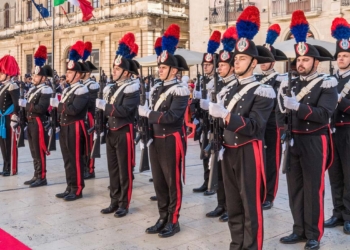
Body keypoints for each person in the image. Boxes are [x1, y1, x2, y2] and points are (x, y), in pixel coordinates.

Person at [209, 7, 275, 249]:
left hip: (248, 150)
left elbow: (256, 126)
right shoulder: (228, 89)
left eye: (242, 58)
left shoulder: (263, 90)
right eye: (236, 58)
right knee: (234, 204)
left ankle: (252, 246)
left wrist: (226, 116)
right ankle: (237, 244)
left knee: (250, 205)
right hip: (228, 150)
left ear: (254, 62)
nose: (237, 62)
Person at [277, 11, 338, 249]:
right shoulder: (288, 82)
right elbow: (278, 111)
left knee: (314, 189)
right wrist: (283, 126)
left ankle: (314, 233)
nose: (300, 63)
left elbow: (324, 114)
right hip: (293, 140)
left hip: (315, 140)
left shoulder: (327, 83)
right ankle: (298, 229)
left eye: (305, 60)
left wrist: (299, 107)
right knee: (295, 188)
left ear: (315, 62)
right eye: (298, 60)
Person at [138, 24, 189, 238]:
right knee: (159, 181)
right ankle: (162, 216)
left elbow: (172, 117)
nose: (159, 69)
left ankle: (173, 219)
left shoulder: (180, 89)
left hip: (171, 138)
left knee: (172, 181)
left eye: (163, 67)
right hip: (156, 139)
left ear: (174, 70)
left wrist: (148, 115)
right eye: (159, 66)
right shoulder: (157, 87)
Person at [96, 33, 140, 218]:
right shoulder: (111, 88)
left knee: (124, 169)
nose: (113, 71)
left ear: (127, 72)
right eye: (114, 68)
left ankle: (124, 203)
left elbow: (124, 111)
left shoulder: (133, 88)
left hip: (124, 131)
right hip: (111, 132)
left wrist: (105, 107)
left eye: (117, 69)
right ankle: (114, 201)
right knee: (112, 169)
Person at [193, 29, 230, 222]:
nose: (208, 68)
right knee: (210, 160)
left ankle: (228, 206)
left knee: (224, 170)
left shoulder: (224, 84)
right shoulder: (203, 81)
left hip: (223, 128)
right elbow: (195, 104)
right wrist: (196, 116)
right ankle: (220, 202)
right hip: (208, 126)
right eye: (205, 65)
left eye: (212, 65)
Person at [50, 41, 89, 201]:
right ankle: (69, 186)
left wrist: (59, 105)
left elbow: (74, 110)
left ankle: (77, 188)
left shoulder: (82, 89)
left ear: (78, 75)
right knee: (67, 158)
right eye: (67, 71)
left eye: (70, 72)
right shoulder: (67, 89)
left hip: (75, 127)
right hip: (65, 127)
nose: (67, 74)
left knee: (75, 158)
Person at [255, 24, 288, 210]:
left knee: (271, 160)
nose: (263, 63)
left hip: (272, 125)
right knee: (259, 159)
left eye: (267, 60)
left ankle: (269, 195)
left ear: (273, 62)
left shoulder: (280, 80)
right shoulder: (257, 80)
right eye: (262, 60)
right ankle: (260, 191)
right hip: (259, 124)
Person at [324, 17, 350, 235]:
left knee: (349, 175)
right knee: (335, 174)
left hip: (349, 131)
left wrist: (338, 99)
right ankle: (337, 212)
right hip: (333, 132)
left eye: (345, 55)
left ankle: (349, 216)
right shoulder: (332, 79)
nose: (341, 58)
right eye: (339, 56)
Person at [19, 45, 53, 187]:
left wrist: (26, 105)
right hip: (31, 122)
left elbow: (40, 108)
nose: (33, 77)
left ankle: (42, 177)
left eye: (37, 75)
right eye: (34, 74)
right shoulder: (34, 89)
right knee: (33, 150)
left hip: (39, 122)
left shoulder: (46, 89)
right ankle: (36, 174)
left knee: (39, 149)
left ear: (43, 77)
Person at [81, 42, 100, 180]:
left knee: (90, 144)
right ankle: (83, 166)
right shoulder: (81, 85)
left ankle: (90, 168)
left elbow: (91, 104)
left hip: (89, 116)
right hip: (81, 116)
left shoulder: (92, 85)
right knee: (82, 144)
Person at [0, 54, 20, 176]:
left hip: (8, 118)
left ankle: (11, 167)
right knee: (2, 143)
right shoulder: (2, 86)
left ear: (8, 73)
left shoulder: (13, 85)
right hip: (2, 118)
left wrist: (15, 117)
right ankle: (5, 166)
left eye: (1, 73)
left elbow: (16, 103)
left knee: (9, 143)